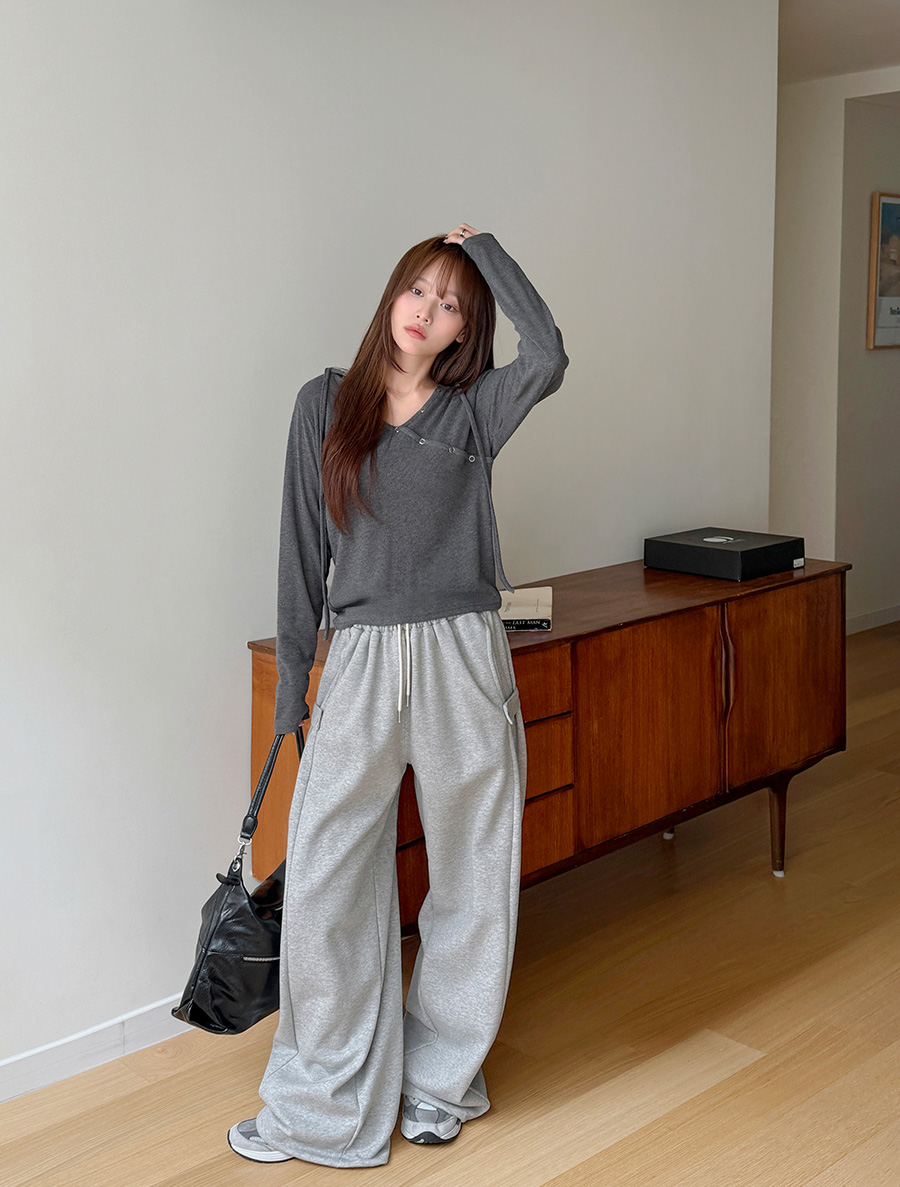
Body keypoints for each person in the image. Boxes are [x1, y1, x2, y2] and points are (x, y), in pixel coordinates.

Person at [227, 223, 568, 1168]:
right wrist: (294, 686)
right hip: (364, 661)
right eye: (419, 288)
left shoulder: (475, 413)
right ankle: (323, 1102)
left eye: (451, 303)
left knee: (472, 876)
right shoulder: (324, 403)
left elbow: (549, 353)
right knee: (327, 880)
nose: (427, 310)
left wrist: (484, 249)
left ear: (465, 330)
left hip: (464, 655)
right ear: (392, 294)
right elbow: (301, 553)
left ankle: (438, 1081)